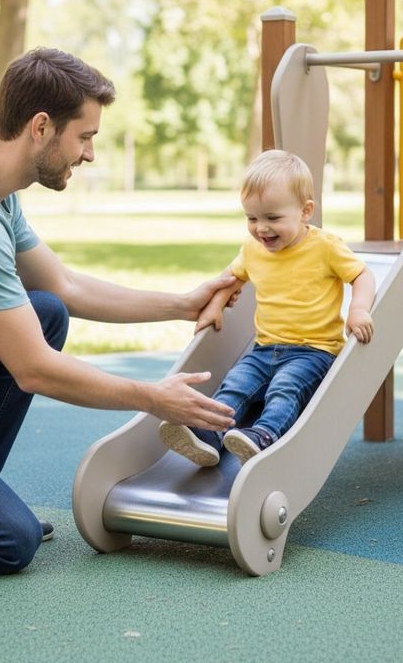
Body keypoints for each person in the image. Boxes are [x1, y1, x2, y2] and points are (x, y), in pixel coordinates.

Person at [0, 48, 238, 575]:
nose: (89, 155)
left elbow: (63, 284)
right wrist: (154, 398)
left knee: (46, 310)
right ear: (41, 126)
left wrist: (179, 304)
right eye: (84, 137)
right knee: (7, 541)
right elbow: (32, 369)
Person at [159, 149, 375, 466]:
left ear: (305, 211)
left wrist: (358, 309)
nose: (262, 228)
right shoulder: (253, 249)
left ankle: (265, 435)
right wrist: (215, 306)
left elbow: (361, 275)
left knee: (285, 389)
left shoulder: (325, 246)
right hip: (263, 349)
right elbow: (231, 278)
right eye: (252, 218)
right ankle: (210, 435)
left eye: (273, 218)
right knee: (235, 384)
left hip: (314, 351)